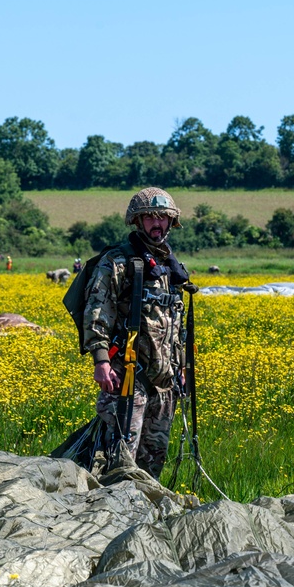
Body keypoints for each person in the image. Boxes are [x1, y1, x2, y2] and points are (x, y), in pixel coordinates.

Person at [82, 187, 196, 479]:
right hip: (128, 377)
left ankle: (143, 522)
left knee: (152, 467)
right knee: (117, 464)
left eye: (163, 218)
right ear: (137, 221)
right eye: (149, 218)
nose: (157, 224)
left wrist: (181, 368)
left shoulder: (171, 270)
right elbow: (98, 311)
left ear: (172, 222)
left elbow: (175, 325)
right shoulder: (118, 263)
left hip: (165, 381)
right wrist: (101, 360)